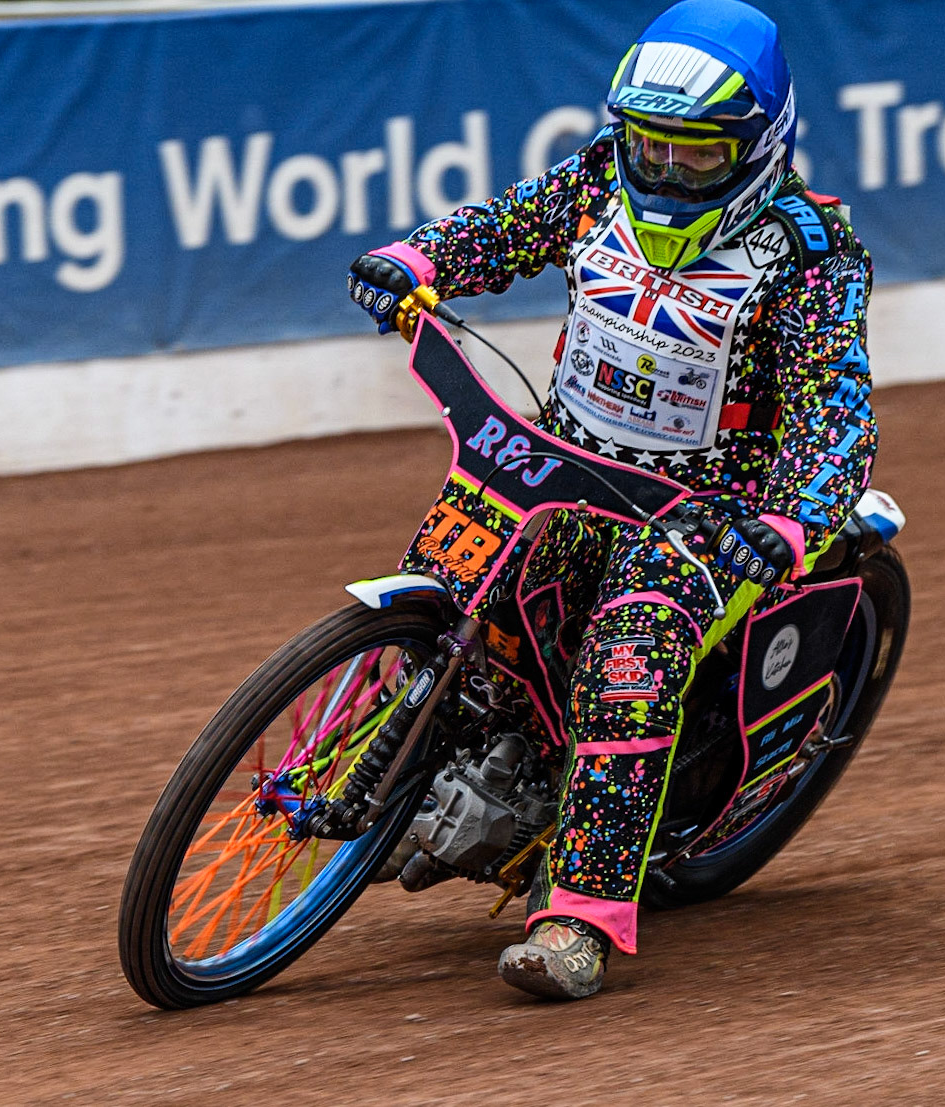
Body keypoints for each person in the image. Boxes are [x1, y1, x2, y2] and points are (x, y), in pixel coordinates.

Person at [347, 0, 876, 999]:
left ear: (760, 144)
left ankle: (579, 920)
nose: (665, 170)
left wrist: (793, 515)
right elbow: (502, 231)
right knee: (453, 581)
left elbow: (834, 410)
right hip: (561, 461)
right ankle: (384, 781)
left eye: (695, 155)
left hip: (703, 508)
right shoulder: (598, 176)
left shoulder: (810, 256)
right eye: (651, 145)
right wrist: (415, 263)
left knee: (629, 665)